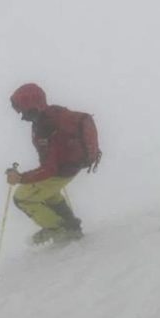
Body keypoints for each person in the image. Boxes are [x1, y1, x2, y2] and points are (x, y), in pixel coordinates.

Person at [8, 83, 98, 243]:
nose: (22, 116)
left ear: (31, 106)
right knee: (49, 194)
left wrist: (21, 178)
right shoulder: (53, 114)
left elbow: (49, 169)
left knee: (22, 198)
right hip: (69, 167)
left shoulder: (46, 126)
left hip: (60, 171)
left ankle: (58, 230)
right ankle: (71, 227)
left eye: (23, 110)